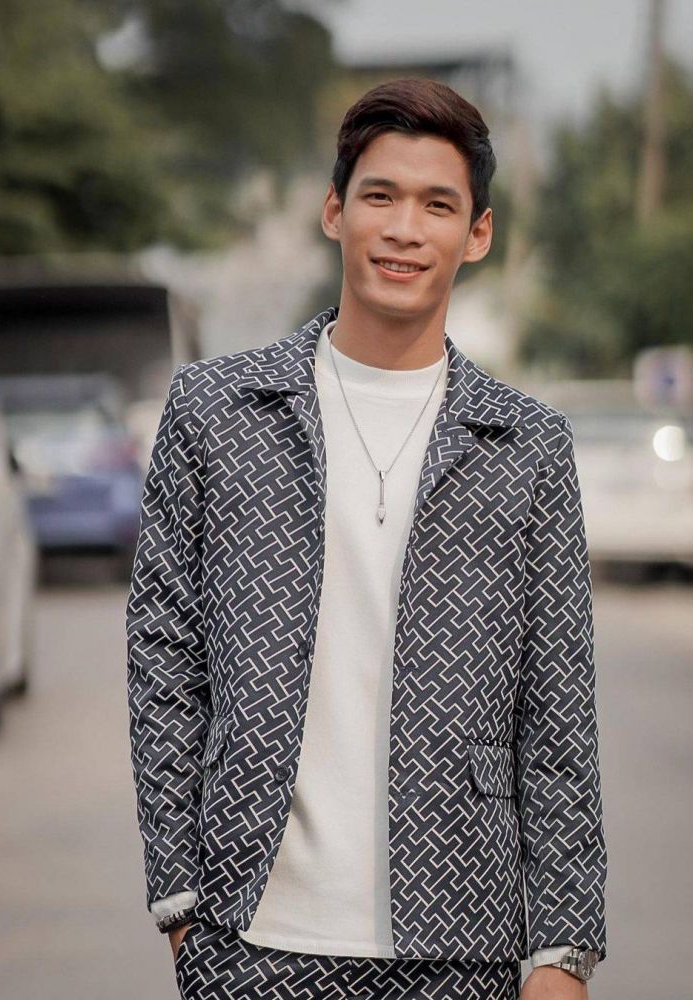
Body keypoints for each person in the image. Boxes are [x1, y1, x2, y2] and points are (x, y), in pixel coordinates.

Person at [126, 76, 608, 1000]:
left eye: (438, 205)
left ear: (478, 235)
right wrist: (180, 898)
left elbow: (557, 709)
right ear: (333, 212)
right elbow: (164, 652)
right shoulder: (217, 410)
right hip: (249, 934)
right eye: (380, 196)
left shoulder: (526, 444)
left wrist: (563, 950)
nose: (404, 229)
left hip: (460, 941)